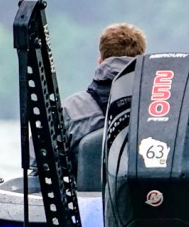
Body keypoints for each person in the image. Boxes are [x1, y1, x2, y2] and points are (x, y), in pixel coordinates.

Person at [61, 22, 147, 157]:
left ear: (100, 61)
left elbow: (36, 162)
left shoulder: (71, 109)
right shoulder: (161, 107)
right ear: (142, 59)